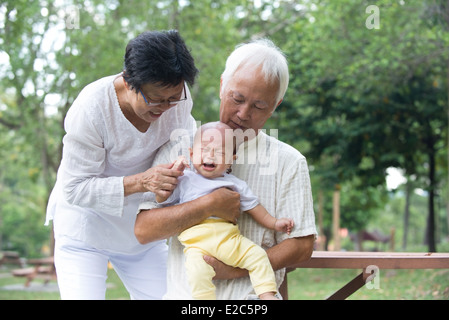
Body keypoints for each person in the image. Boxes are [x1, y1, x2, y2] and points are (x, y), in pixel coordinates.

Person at [135, 38, 317, 300]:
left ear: (275, 105)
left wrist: (234, 269)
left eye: (259, 106)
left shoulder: (289, 161)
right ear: (222, 86)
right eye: (237, 98)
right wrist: (207, 205)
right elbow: (144, 230)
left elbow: (302, 245)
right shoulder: (179, 149)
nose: (243, 113)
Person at [45, 30, 202, 300]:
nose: (166, 106)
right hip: (85, 229)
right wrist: (143, 181)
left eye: (173, 98)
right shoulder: (92, 109)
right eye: (155, 99)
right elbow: (75, 189)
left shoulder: (178, 97)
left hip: (140, 233)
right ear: (129, 82)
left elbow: (182, 141)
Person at [155, 121, 294, 300]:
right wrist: (173, 174)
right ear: (191, 154)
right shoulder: (185, 180)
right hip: (196, 245)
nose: (210, 156)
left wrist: (275, 223)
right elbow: (161, 199)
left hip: (229, 240)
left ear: (231, 160)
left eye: (220, 152)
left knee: (258, 256)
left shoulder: (234, 183)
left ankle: (267, 295)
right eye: (204, 150)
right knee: (196, 272)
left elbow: (255, 208)